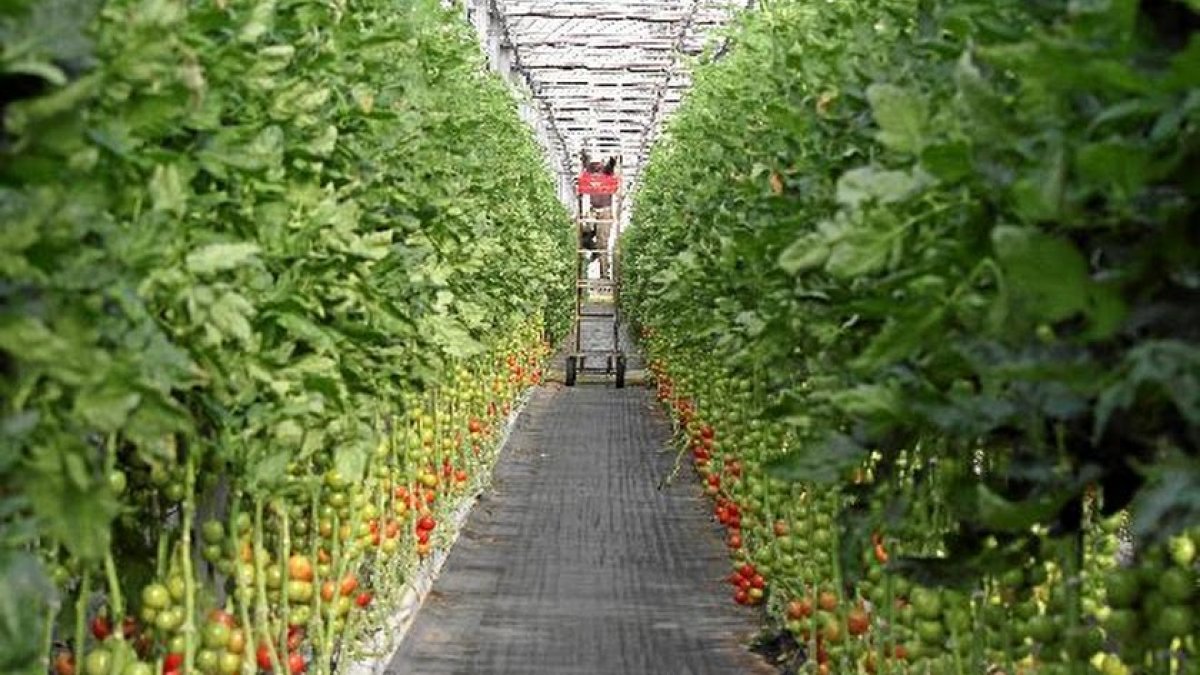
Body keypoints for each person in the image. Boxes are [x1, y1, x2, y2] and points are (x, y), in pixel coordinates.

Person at [579, 149, 618, 279]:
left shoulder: (606, 172)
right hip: (593, 210)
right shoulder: (590, 172)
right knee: (584, 230)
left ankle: (604, 274)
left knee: (603, 244)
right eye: (593, 164)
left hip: (605, 211)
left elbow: (611, 165)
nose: (595, 166)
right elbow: (585, 163)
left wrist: (613, 158)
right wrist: (583, 155)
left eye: (597, 163)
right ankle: (593, 248)